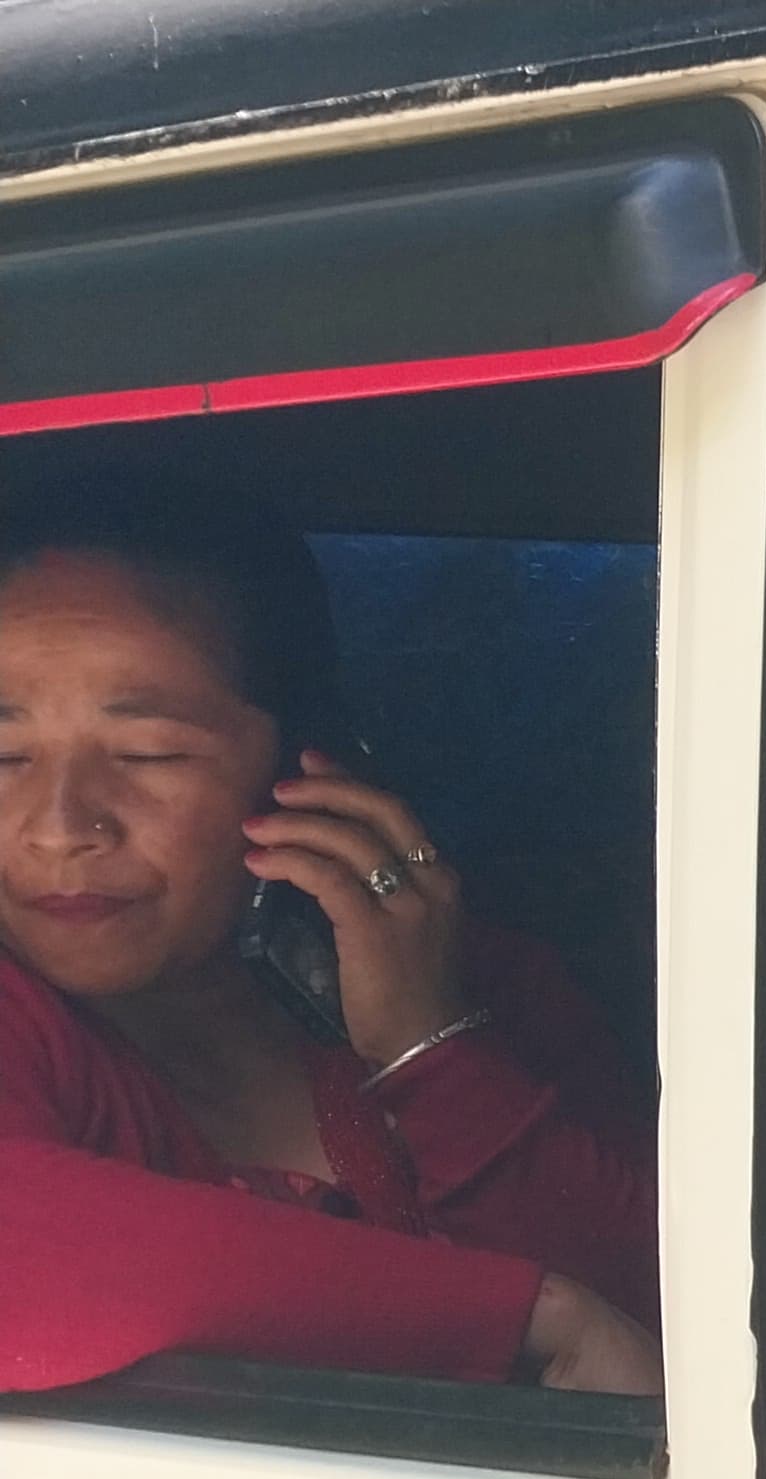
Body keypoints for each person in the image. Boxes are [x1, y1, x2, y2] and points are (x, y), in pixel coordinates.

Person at [0, 474, 660, 1396]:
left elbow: (687, 1336)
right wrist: (535, 1320)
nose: (60, 827)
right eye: (6, 755)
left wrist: (431, 1048)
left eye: (149, 754)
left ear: (306, 773)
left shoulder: (489, 983)